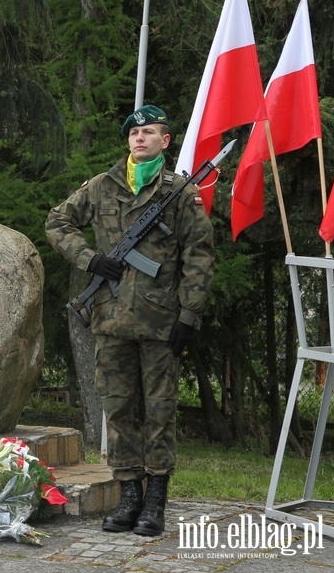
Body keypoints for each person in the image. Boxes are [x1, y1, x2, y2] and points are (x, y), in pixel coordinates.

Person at [44, 105, 214, 536]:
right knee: (118, 411)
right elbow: (57, 221)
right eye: (134, 132)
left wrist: (189, 316)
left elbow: (198, 256)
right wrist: (91, 259)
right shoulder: (102, 187)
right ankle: (128, 497)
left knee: (160, 412)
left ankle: (156, 500)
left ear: (166, 140)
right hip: (111, 320)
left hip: (161, 322)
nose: (140, 138)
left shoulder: (179, 192)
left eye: (149, 132)